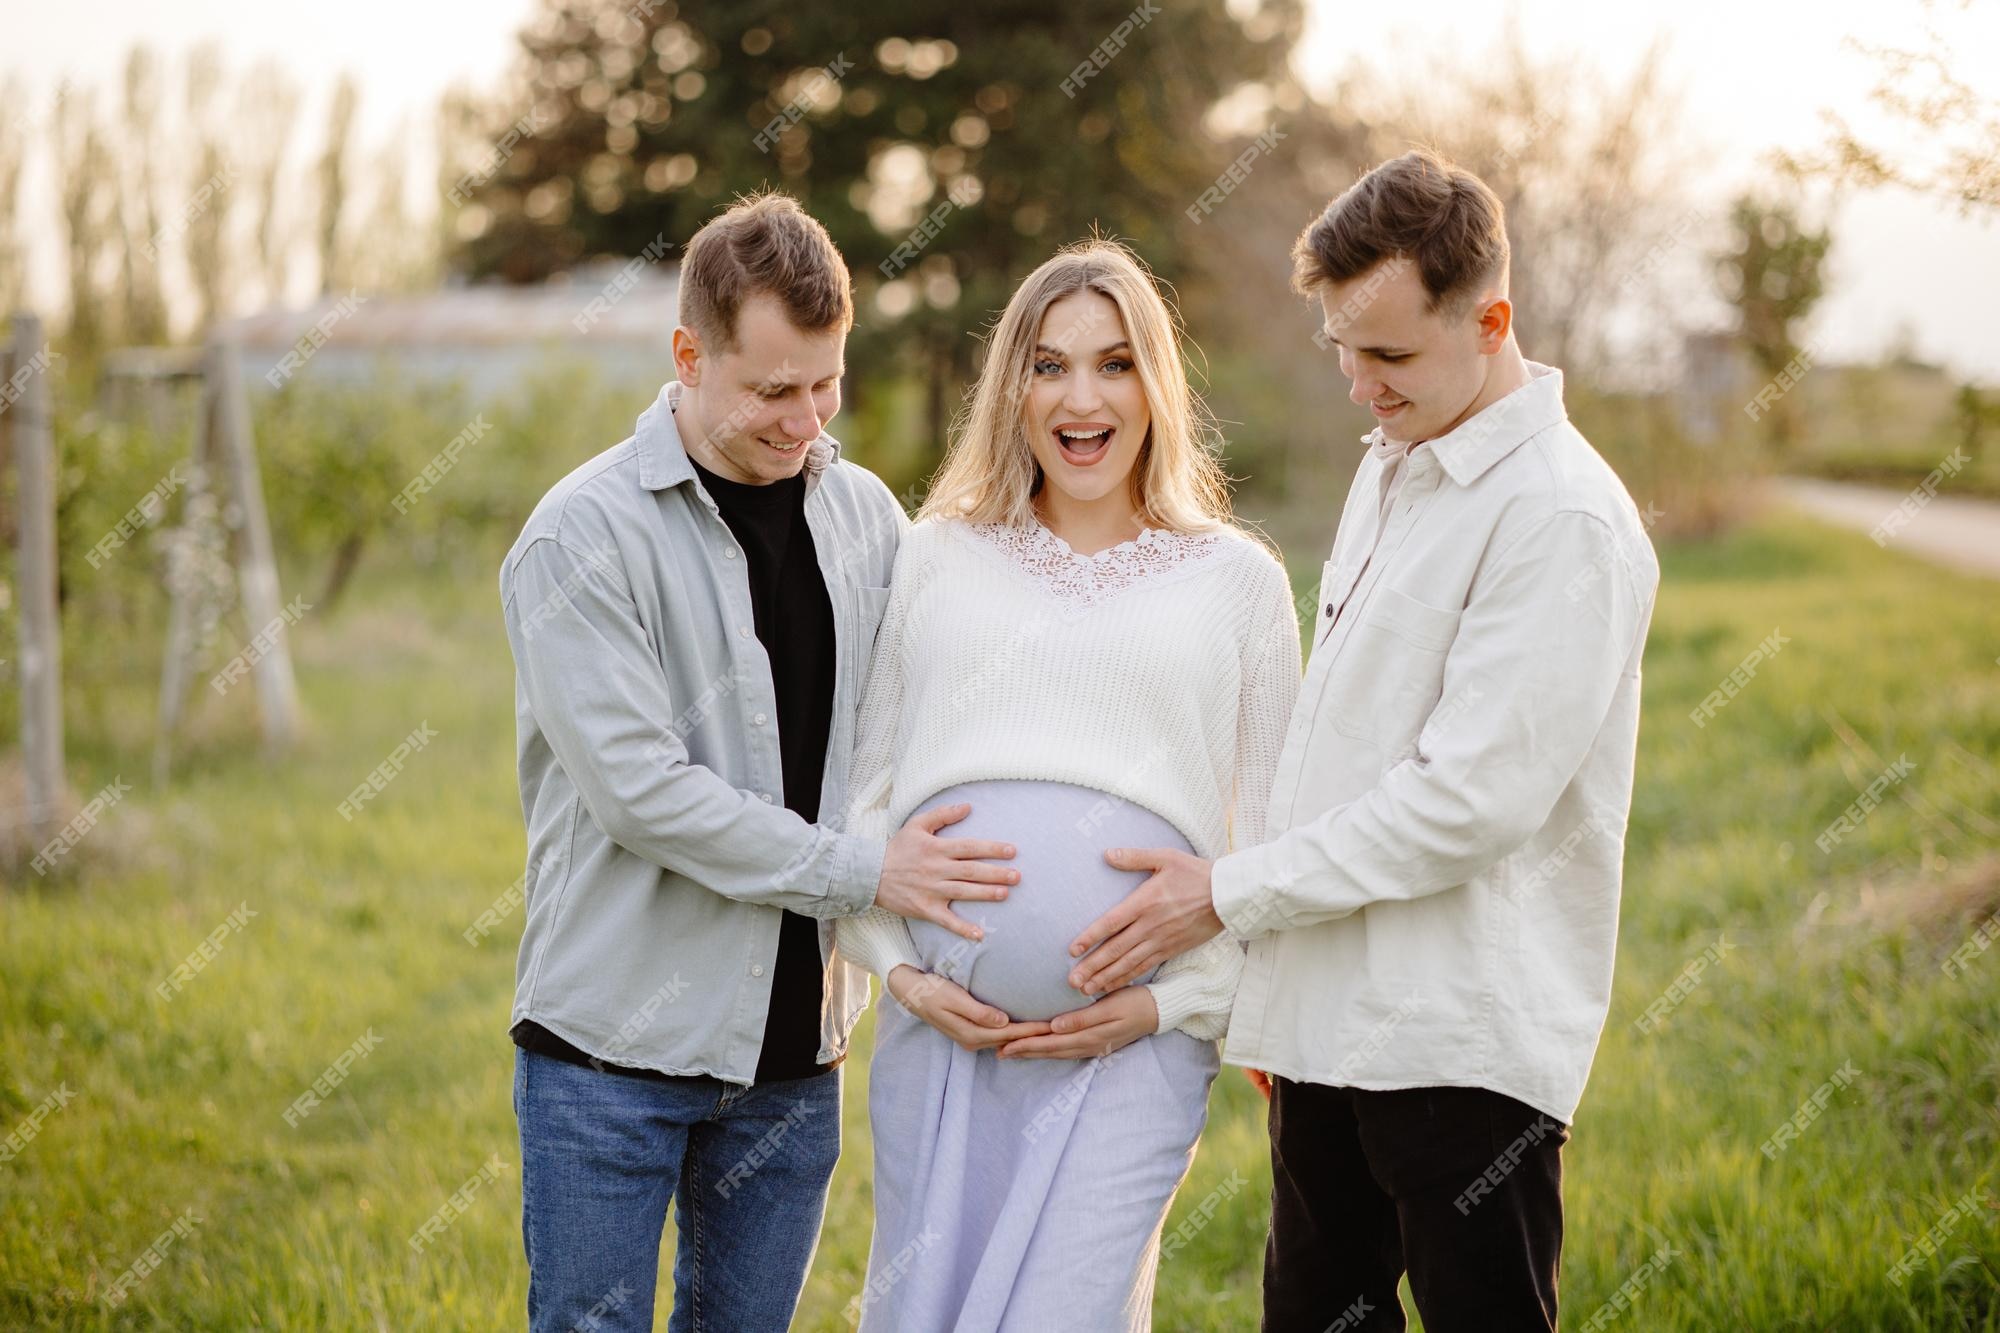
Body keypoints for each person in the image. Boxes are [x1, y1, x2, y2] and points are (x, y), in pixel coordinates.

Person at [1063, 150, 1662, 1332]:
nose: (1357, 383)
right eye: (1342, 348)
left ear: (1489, 320)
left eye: (1386, 353)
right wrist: (1275, 989)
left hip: (1457, 1048)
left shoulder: (1560, 516)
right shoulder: (1395, 463)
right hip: (1328, 1028)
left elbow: (1465, 802)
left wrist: (1228, 897)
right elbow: (1339, 745)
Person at [499, 191, 1021, 1333]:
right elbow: (643, 794)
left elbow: (918, 732)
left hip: (797, 1057)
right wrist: (863, 872)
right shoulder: (579, 537)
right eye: (773, 389)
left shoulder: (870, 520)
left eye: (825, 382)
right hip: (610, 1055)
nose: (806, 418)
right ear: (687, 356)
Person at [833, 238, 1303, 1331]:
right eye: (1047, 366)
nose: (1080, 398)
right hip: (942, 1043)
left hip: (1134, 1046)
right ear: (1011, 388)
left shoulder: (1236, 582)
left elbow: (1278, 854)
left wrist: (1164, 1001)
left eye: (1113, 363)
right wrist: (902, 977)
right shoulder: (939, 556)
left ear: (1156, 384)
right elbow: (861, 804)